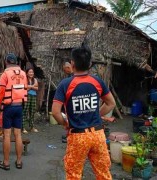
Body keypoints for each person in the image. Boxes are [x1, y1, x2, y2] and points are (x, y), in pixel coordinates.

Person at [52, 45, 116, 180]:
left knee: (73, 175)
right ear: (90, 63)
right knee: (103, 173)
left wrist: (65, 124)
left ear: (72, 64)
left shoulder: (65, 84)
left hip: (78, 136)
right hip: (98, 135)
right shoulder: (97, 81)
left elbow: (56, 112)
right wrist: (97, 114)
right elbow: (111, 103)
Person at [0, 53, 27, 170]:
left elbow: (0, 95)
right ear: (16, 62)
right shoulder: (24, 74)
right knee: (18, 134)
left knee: (7, 135)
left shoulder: (5, 75)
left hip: (9, 107)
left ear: (6, 62)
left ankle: (6, 163)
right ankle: (19, 161)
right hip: (20, 106)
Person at [22, 68, 39, 134]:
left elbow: (37, 88)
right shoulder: (25, 79)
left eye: (32, 72)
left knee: (32, 111)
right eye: (30, 72)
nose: (31, 73)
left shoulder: (35, 79)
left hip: (33, 96)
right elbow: (25, 88)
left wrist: (30, 87)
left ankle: (32, 127)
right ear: (27, 73)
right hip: (27, 96)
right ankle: (23, 127)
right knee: (25, 111)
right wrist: (32, 86)